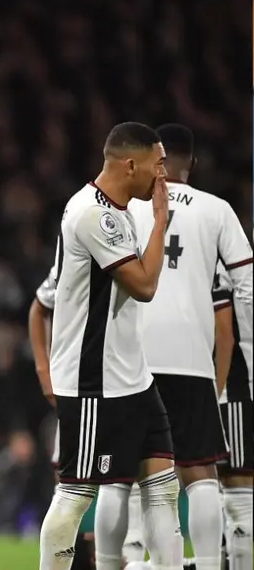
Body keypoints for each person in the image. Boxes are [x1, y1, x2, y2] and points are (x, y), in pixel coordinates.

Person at [38, 122, 182, 570]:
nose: (164, 176)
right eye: (158, 165)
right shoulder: (92, 214)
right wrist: (161, 222)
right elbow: (143, 285)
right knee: (78, 491)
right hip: (92, 381)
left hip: (132, 377)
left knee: (162, 486)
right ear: (130, 163)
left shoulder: (114, 211)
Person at [124, 123, 253, 570]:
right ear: (191, 162)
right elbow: (246, 285)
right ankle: (210, 565)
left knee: (146, 477)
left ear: (153, 158)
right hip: (193, 361)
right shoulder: (216, 209)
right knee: (201, 473)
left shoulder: (130, 208)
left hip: (135, 361)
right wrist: (249, 363)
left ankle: (143, 562)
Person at [29, 265, 146, 566]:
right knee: (73, 489)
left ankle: (118, 560)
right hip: (87, 388)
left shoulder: (136, 254)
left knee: (127, 487)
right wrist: (44, 373)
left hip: (129, 386)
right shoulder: (78, 253)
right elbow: (39, 308)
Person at [212, 263, 253, 570]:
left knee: (237, 490)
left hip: (237, 389)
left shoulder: (226, 262)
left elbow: (222, 331)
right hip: (238, 387)